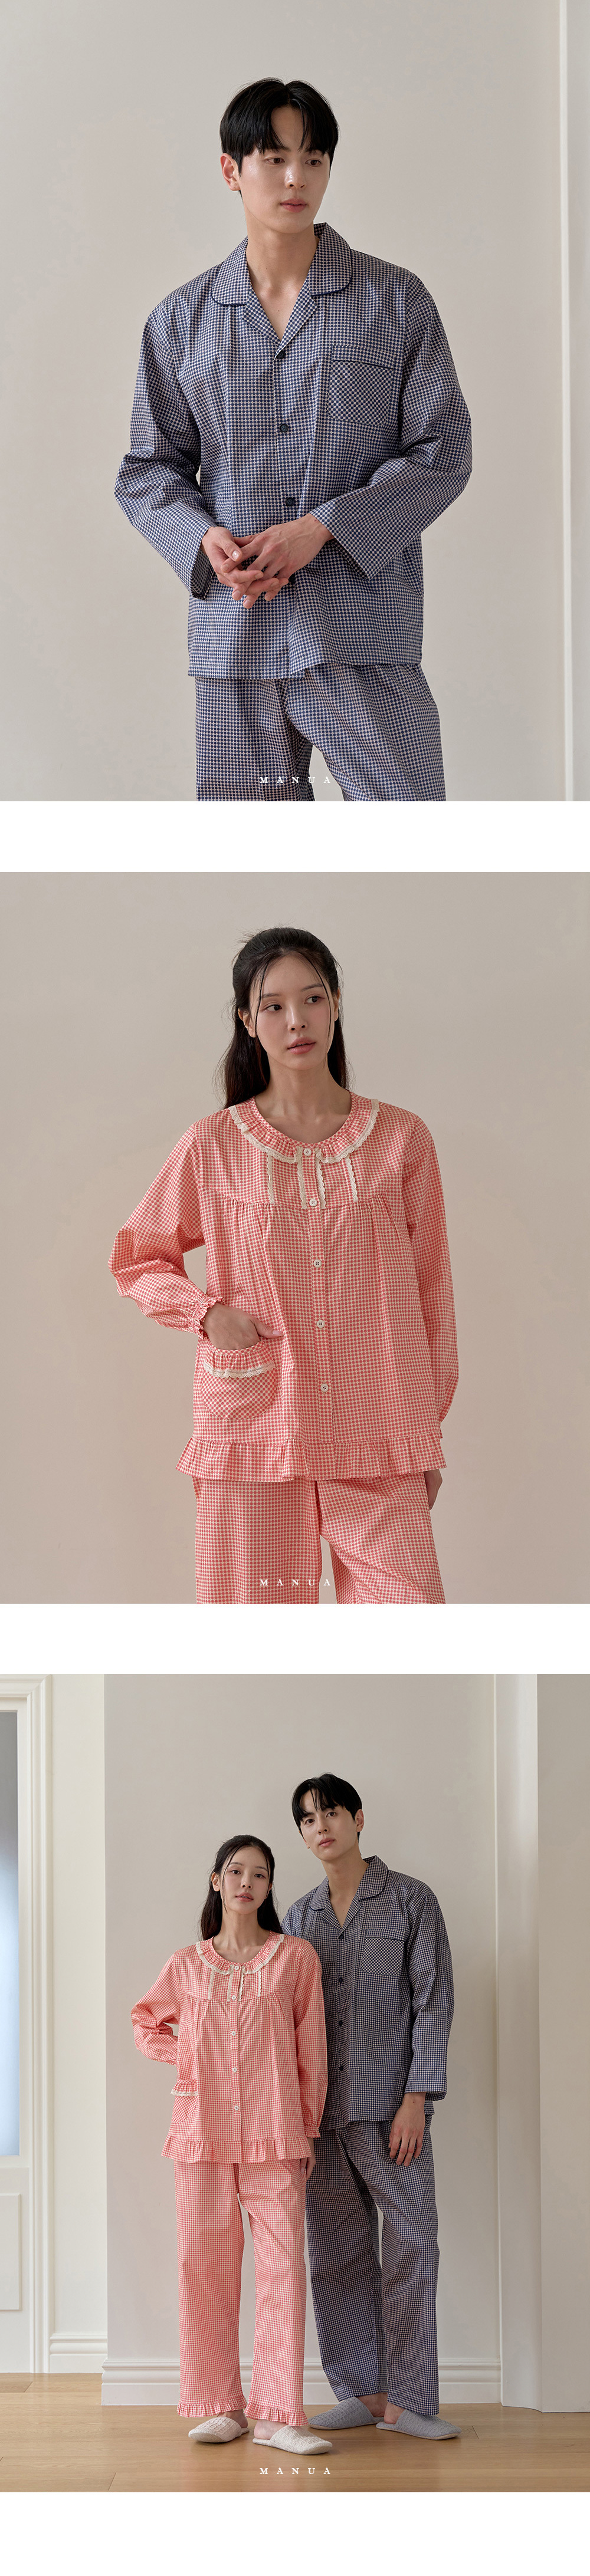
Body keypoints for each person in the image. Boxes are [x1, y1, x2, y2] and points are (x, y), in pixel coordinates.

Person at [115, 76, 472, 802]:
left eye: (313, 159)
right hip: (235, 636)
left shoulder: (395, 302)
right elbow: (149, 469)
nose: (295, 179)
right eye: (274, 158)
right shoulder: (180, 321)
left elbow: (443, 450)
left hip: (359, 629)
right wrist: (203, 541)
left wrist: (321, 529)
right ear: (231, 169)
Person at [109, 924, 458, 1604]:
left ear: (336, 1005)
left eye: (312, 998)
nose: (296, 1020)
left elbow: (432, 1296)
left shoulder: (402, 1140)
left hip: (379, 1429)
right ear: (247, 1020)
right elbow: (137, 1257)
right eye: (273, 1005)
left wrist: (424, 1437)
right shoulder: (212, 1146)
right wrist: (205, 1313)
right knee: (256, 1635)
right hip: (256, 1429)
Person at [132, 1831, 330, 2455]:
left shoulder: (295, 1958)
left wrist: (308, 2127)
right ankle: (223, 2407)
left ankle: (277, 2415)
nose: (247, 1882)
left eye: (260, 1874)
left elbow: (312, 2049)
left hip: (276, 2134)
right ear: (216, 1880)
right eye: (236, 1871)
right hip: (201, 2136)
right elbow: (145, 2020)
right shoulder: (186, 1965)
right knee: (205, 2270)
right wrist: (186, 2056)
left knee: (282, 2271)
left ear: (269, 1888)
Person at [283, 1770, 458, 2441]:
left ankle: (410, 2403)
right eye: (308, 1819)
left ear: (358, 1819)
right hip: (320, 2117)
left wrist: (417, 2097)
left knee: (413, 2243)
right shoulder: (299, 1919)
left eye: (331, 1812)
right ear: (302, 1836)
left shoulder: (411, 1900)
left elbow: (432, 2003)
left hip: (391, 2109)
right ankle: (365, 2393)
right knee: (337, 2252)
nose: (321, 1826)